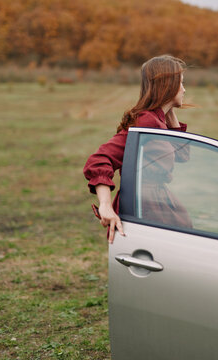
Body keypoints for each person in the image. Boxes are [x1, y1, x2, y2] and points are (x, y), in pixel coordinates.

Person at [83, 55, 189, 243]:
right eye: (180, 83)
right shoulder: (147, 121)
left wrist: (170, 110)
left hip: (158, 201)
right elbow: (99, 159)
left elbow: (182, 154)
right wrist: (105, 206)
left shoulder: (158, 120)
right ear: (169, 85)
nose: (184, 89)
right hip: (146, 207)